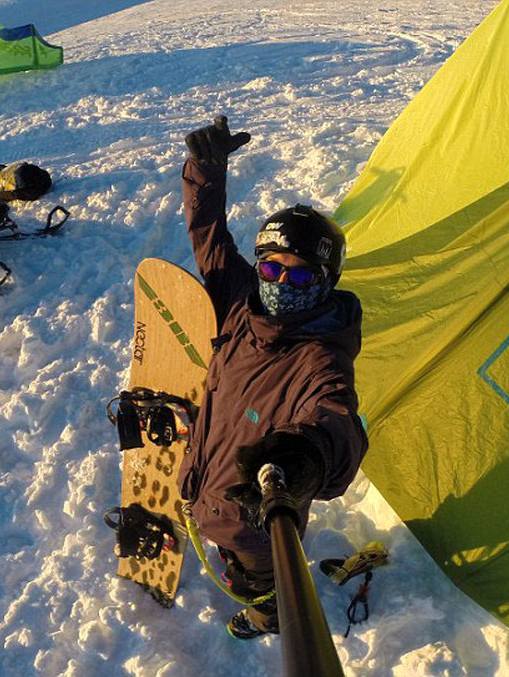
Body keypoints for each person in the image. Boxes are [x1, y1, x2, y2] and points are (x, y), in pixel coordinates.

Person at [178, 116, 368, 639]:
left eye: (302, 274)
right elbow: (209, 237)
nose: (283, 282)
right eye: (272, 268)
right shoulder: (241, 302)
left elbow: (336, 419)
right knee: (226, 553)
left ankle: (270, 612)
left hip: (258, 521)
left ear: (326, 281)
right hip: (205, 482)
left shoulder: (320, 357)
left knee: (255, 576)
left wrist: (306, 457)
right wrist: (206, 171)